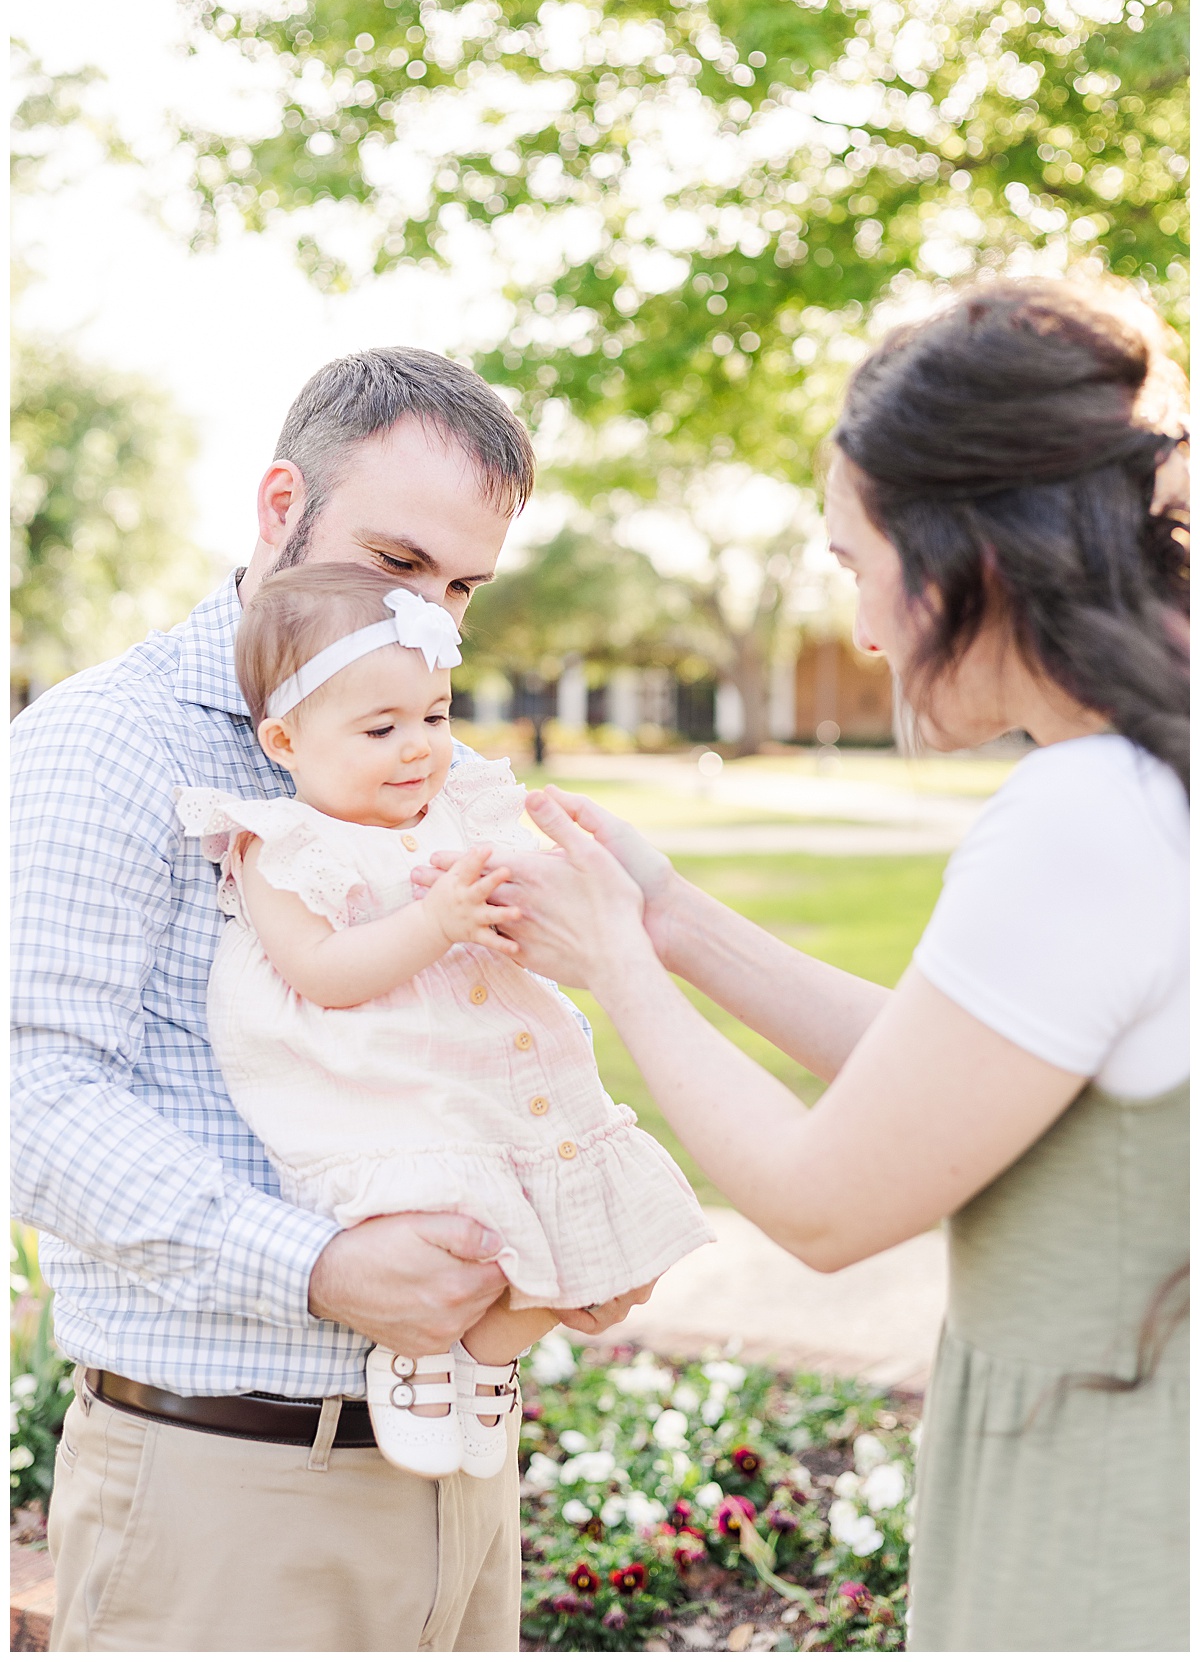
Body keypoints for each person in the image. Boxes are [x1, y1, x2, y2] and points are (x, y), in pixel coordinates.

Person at [453, 280, 1190, 1651]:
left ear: (960, 555)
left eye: (854, 565)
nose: (860, 628)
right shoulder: (1152, 782)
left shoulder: (1086, 811)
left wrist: (619, 962)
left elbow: (825, 1205)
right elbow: (943, 1067)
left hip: (1107, 1533)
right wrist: (670, 915)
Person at [10, 347, 650, 1653]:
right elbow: (27, 1095)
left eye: (462, 586)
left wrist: (560, 1209)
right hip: (228, 1492)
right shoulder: (103, 742)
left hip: (462, 1469)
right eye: (398, 562)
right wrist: (320, 1266)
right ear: (278, 505)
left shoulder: (436, 763)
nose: (429, 615)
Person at [175, 563, 709, 1480]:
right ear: (286, 740)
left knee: (616, 1252)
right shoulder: (284, 842)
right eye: (380, 728)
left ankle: (485, 1355)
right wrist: (433, 923)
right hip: (395, 1104)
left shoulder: (460, 811)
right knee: (458, 1247)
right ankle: (420, 1353)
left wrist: (521, 902)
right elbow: (323, 973)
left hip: (510, 1098)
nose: (419, 747)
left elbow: (529, 919)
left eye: (435, 715)